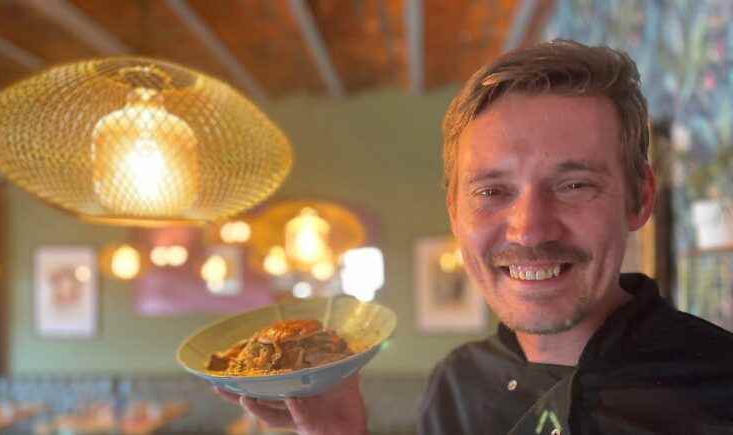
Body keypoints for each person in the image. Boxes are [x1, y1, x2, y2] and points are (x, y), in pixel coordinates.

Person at [215, 40, 733, 434]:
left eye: (575, 185)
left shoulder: (719, 385)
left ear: (640, 198)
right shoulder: (456, 383)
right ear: (455, 213)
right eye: (492, 191)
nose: (529, 228)